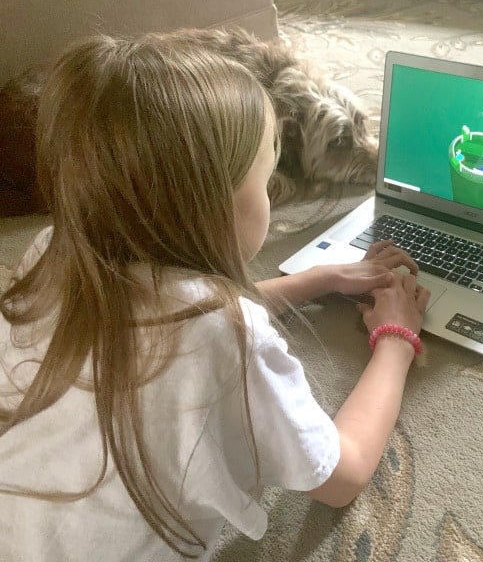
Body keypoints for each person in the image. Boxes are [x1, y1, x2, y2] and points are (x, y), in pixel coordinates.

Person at [0, 33, 430, 561]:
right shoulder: (227, 335)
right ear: (214, 204)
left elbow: (163, 315)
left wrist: (316, 280)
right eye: (265, 178)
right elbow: (341, 474)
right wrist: (397, 339)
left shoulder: (54, 253)